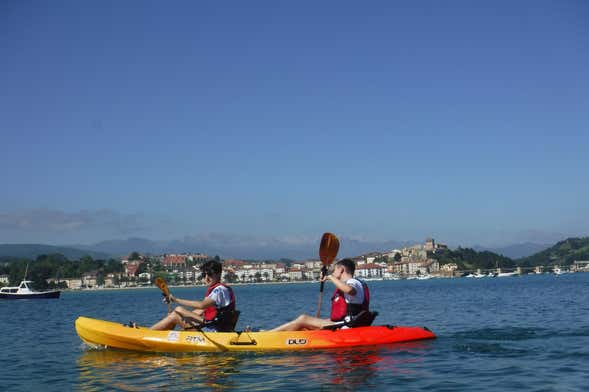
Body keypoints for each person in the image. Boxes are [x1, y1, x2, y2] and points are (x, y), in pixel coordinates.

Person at [271, 258, 370, 331]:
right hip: (344, 323)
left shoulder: (353, 282)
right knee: (304, 326)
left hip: (347, 326)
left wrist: (330, 277)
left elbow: (349, 290)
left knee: (303, 318)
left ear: (341, 270)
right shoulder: (354, 282)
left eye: (335, 270)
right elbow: (341, 314)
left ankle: (269, 335)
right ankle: (274, 335)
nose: (333, 272)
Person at [150, 260, 237, 332]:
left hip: (213, 332)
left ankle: (148, 334)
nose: (206, 278)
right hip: (214, 328)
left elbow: (201, 305)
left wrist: (176, 300)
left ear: (218, 274)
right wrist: (177, 314)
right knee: (176, 313)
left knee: (178, 310)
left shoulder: (219, 290)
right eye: (204, 275)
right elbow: (200, 310)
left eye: (210, 274)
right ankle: (160, 334)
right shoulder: (219, 290)